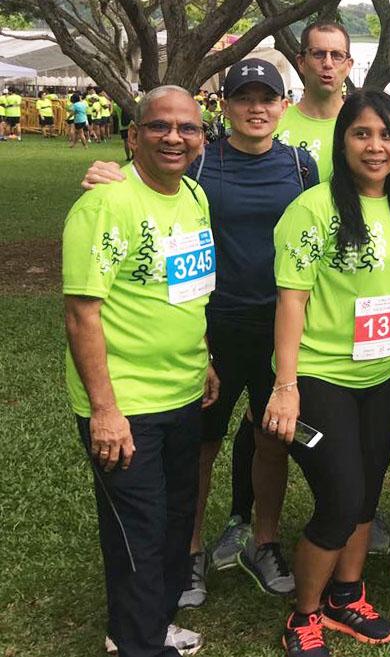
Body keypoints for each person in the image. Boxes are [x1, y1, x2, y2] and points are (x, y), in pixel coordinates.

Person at [79, 60, 318, 607]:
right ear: (225, 107)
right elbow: (140, 187)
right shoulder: (198, 159)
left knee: (272, 439)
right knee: (200, 445)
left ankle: (265, 541)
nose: (256, 108)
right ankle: (188, 554)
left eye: (268, 98)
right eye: (243, 98)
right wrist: (102, 174)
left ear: (284, 105)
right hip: (208, 329)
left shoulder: (302, 168)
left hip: (276, 327)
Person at [64, 85, 219, 657]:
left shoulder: (195, 198)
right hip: (125, 406)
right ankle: (136, 643)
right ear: (134, 136)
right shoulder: (105, 205)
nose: (174, 137)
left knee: (176, 520)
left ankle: (146, 625)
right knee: (140, 531)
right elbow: (82, 313)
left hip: (183, 393)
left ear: (203, 138)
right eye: (159, 127)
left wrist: (203, 357)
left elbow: (191, 289)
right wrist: (104, 410)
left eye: (188, 128)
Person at [266, 89, 390, 656]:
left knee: (367, 490)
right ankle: (303, 614)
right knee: (341, 496)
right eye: (362, 134)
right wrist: (286, 387)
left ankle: (346, 596)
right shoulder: (313, 209)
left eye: (387, 135)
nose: (375, 146)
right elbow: (291, 301)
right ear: (343, 140)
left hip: (385, 376)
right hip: (319, 377)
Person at [276, 20, 355, 179]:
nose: (327, 63)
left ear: (348, 65)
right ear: (301, 62)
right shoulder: (274, 122)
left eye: (337, 55)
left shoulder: (360, 127)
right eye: (318, 54)